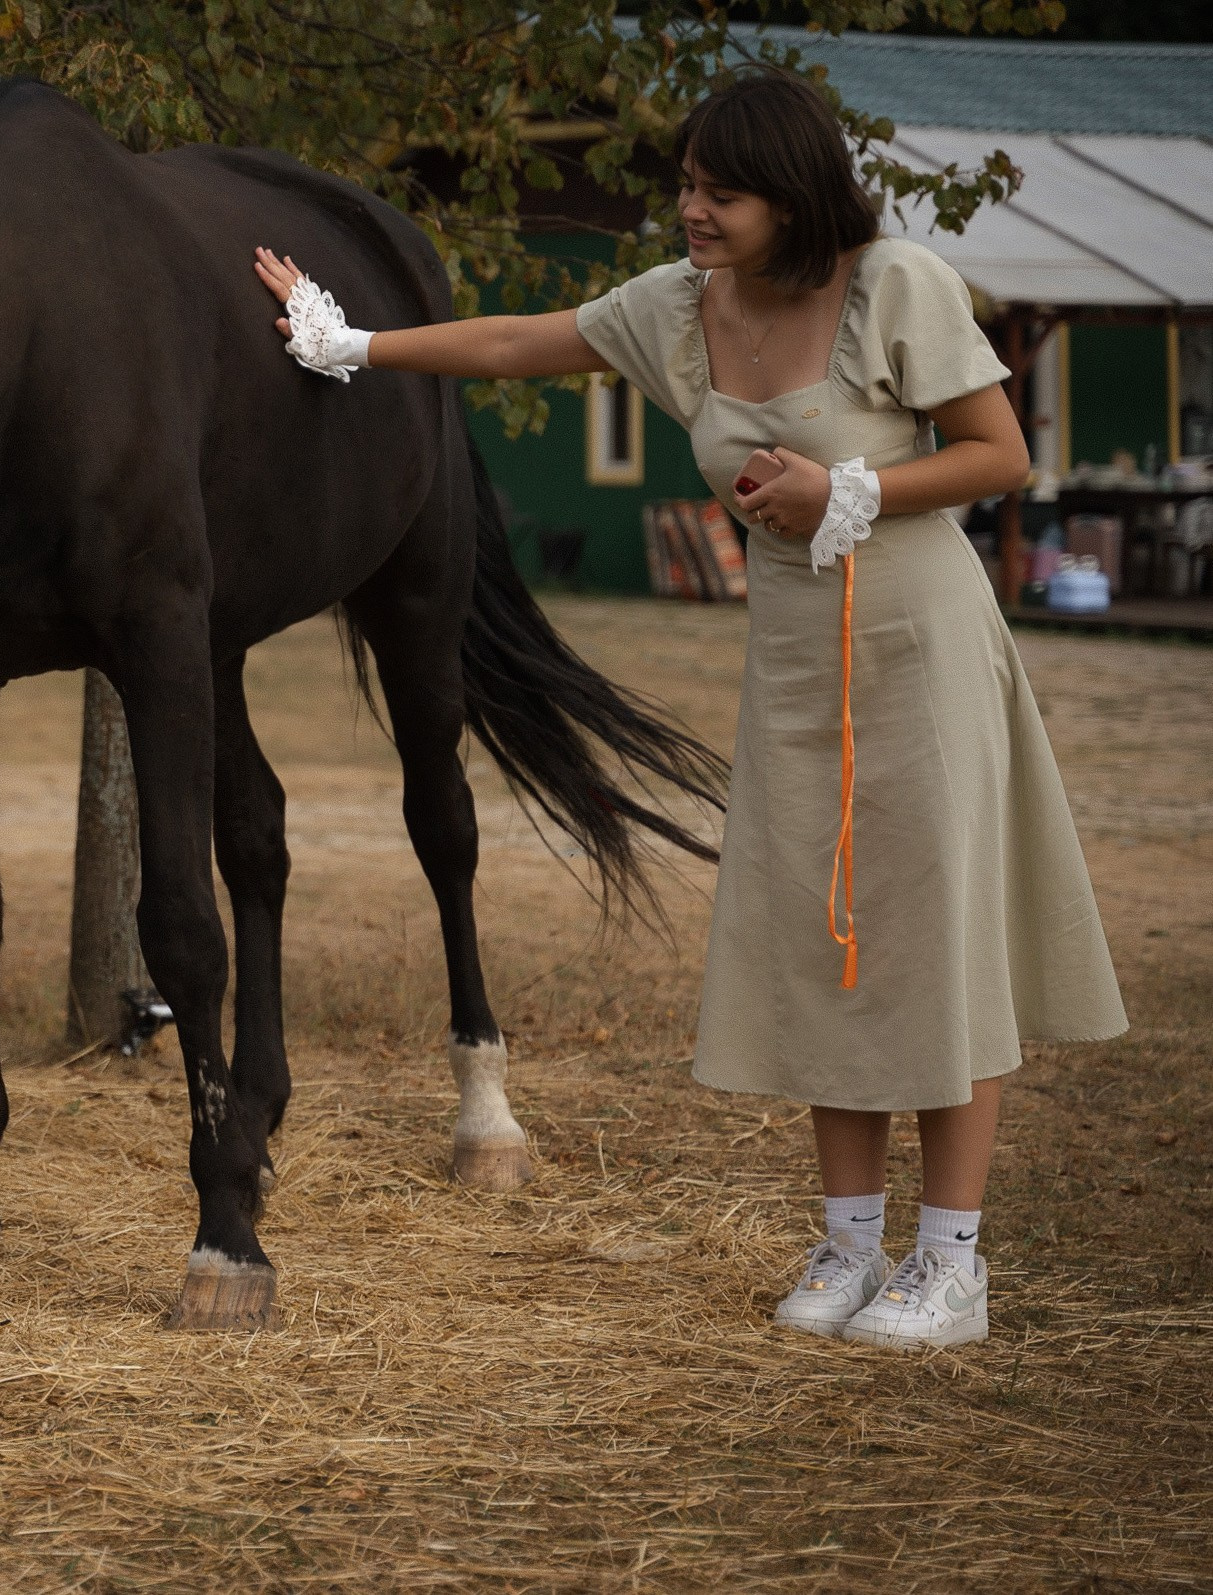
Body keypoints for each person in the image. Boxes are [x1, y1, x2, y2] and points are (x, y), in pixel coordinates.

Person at [254, 66, 1125, 1350]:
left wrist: (849, 489)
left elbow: (1002, 454)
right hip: (796, 666)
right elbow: (517, 343)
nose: (692, 209)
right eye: (687, 185)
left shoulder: (896, 285)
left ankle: (952, 1262)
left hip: (925, 651)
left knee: (937, 944)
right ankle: (849, 1243)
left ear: (796, 197)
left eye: (724, 192)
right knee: (821, 942)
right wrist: (351, 344)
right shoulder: (675, 307)